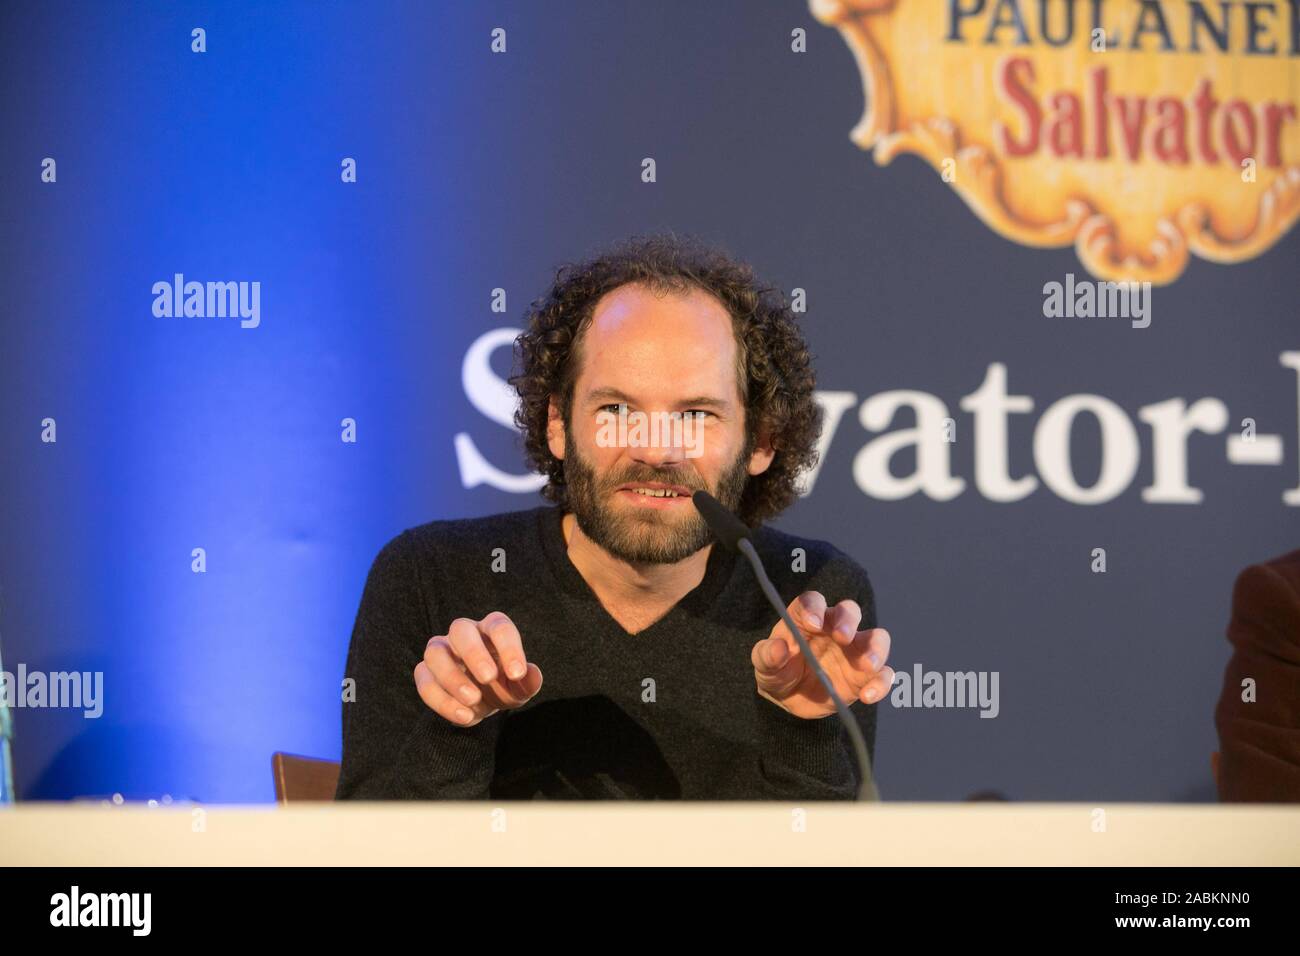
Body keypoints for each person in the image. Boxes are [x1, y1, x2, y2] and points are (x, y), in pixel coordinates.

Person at [335, 233, 895, 800]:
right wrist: (455, 731)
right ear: (557, 424)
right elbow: (367, 855)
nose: (655, 450)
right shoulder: (430, 579)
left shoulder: (808, 598)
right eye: (618, 410)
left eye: (696, 413)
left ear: (761, 441)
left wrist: (801, 728)